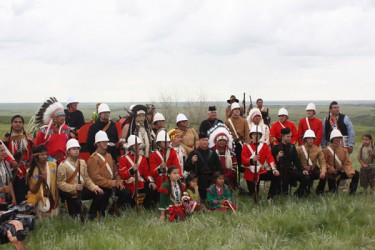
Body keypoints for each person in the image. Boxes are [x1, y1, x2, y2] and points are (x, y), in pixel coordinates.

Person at [87, 131, 130, 219]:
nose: (106, 143)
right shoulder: (93, 158)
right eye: (103, 141)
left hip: (112, 184)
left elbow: (115, 171)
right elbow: (95, 178)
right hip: (101, 186)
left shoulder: (109, 156)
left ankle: (113, 209)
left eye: (106, 141)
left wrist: (118, 181)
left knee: (126, 193)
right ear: (97, 143)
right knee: (102, 196)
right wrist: (112, 183)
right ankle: (94, 214)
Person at [57, 139, 104, 218]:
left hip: (81, 190)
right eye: (74, 149)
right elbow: (60, 184)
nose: (76, 151)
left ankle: (91, 214)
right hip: (70, 193)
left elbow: (87, 179)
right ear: (68, 151)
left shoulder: (82, 162)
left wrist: (94, 187)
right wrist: (74, 187)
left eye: (78, 149)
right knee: (76, 217)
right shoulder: (63, 165)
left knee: (98, 193)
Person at [118, 135, 157, 209]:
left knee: (150, 187)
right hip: (129, 184)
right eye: (135, 145)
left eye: (138, 145)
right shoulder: (123, 159)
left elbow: (146, 173)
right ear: (130, 147)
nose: (137, 147)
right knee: (128, 200)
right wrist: (132, 170)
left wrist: (151, 181)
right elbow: (123, 175)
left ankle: (146, 207)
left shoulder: (143, 158)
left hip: (140, 183)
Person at [2, 115, 33, 204]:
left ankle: (25, 213)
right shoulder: (7, 137)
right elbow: (2, 152)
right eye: (15, 122)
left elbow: (31, 153)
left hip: (25, 171)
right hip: (11, 171)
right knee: (11, 194)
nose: (18, 124)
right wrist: (11, 162)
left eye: (20, 122)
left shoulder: (27, 136)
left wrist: (30, 166)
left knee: (25, 193)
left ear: (23, 124)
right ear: (12, 124)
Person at [242, 126, 279, 199]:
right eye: (254, 134)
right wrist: (252, 160)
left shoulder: (264, 146)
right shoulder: (246, 147)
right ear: (251, 135)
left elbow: (270, 158)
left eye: (258, 134)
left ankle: (270, 197)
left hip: (261, 171)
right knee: (254, 196)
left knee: (276, 176)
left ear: (260, 136)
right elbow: (244, 161)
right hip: (250, 173)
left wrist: (274, 169)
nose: (256, 136)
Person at [271, 127, 309, 197]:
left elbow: (296, 161)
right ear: (282, 136)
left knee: (306, 177)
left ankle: (298, 193)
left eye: (290, 136)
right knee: (283, 194)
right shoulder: (275, 148)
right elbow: (272, 163)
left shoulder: (292, 147)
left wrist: (303, 170)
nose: (289, 138)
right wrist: (278, 157)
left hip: (290, 171)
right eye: (287, 136)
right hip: (281, 172)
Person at [184, 131, 221, 201]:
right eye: (203, 140)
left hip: (211, 179)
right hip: (198, 179)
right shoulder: (193, 153)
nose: (205, 142)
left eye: (206, 140)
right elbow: (186, 168)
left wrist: (216, 179)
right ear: (199, 141)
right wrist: (192, 161)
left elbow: (219, 167)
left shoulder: (213, 153)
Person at [34, 97, 70, 164]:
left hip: (64, 162)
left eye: (64, 116)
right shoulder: (44, 130)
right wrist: (49, 159)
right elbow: (37, 147)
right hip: (47, 161)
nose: (63, 118)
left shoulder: (66, 129)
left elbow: (68, 145)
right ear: (54, 118)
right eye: (60, 116)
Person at [26, 145, 59, 218]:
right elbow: (33, 190)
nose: (45, 156)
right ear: (36, 156)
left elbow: (56, 184)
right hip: (39, 199)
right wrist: (39, 181)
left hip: (51, 197)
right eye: (42, 154)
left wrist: (57, 197)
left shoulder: (53, 166)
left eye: (46, 154)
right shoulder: (30, 171)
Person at [323, 129, 359, 194]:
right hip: (331, 173)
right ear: (332, 139)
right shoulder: (326, 150)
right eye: (336, 138)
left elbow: (347, 162)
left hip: (341, 171)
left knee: (356, 174)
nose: (338, 139)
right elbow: (323, 162)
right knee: (333, 192)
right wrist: (330, 168)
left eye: (339, 138)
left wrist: (349, 171)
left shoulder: (344, 150)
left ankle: (352, 192)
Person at [297, 130, 327, 195]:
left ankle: (319, 191)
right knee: (306, 178)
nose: (311, 140)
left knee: (324, 175)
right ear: (305, 139)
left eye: (312, 138)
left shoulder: (317, 149)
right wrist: (303, 168)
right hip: (302, 172)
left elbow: (322, 162)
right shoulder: (299, 149)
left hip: (312, 171)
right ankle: (299, 191)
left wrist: (323, 171)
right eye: (309, 138)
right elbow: (296, 162)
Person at [207, 123, 237, 190]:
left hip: (228, 178)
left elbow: (235, 167)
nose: (222, 142)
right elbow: (209, 166)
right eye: (220, 140)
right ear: (216, 141)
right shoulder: (211, 152)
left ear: (226, 142)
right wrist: (217, 176)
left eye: (224, 141)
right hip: (215, 178)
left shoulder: (231, 153)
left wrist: (226, 176)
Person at [225, 102, 250, 172]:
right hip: (231, 145)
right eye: (235, 109)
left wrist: (247, 146)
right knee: (232, 164)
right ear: (232, 110)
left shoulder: (244, 121)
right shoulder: (227, 122)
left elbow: (247, 134)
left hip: (240, 145)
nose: (237, 111)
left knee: (240, 163)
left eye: (238, 109)